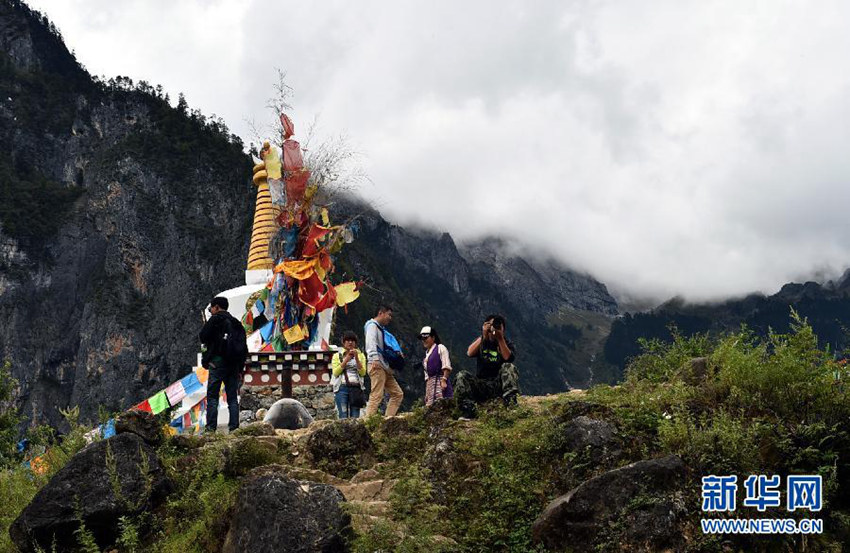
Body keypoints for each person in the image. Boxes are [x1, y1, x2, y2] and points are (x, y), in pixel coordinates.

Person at [455, 314, 519, 418]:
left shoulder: (506, 343)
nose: (495, 328)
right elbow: (469, 353)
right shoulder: (481, 341)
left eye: (499, 326)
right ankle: (468, 409)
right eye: (492, 325)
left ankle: (510, 402)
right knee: (461, 375)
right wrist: (483, 335)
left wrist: (500, 339)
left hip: (498, 385)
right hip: (481, 384)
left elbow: (508, 358)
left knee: (508, 367)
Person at [198, 296, 241, 432]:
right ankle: (234, 427)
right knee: (232, 397)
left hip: (217, 363)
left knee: (213, 397)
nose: (210, 310)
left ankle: (211, 428)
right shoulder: (235, 322)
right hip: (233, 365)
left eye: (211, 307)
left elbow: (203, 337)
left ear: (216, 307)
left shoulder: (215, 320)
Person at [364, 305, 404, 417]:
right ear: (381, 313)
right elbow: (370, 342)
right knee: (376, 395)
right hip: (376, 364)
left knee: (397, 394)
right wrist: (374, 358)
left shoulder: (380, 329)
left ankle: (388, 419)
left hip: (385, 366)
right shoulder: (371, 326)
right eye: (389, 315)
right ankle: (368, 422)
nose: (390, 318)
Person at [331, 330, 367, 419]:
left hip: (356, 388)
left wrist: (357, 358)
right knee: (343, 416)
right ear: (343, 342)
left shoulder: (361, 355)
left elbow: (363, 373)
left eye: (352, 340)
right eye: (347, 340)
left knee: (355, 417)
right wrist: (346, 359)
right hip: (341, 387)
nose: (350, 342)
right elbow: (335, 372)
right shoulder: (337, 356)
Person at [420, 326, 453, 406]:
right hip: (431, 383)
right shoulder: (427, 355)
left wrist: (444, 380)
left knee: (442, 404)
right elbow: (427, 377)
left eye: (426, 338)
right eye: (422, 339)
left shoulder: (440, 348)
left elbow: (446, 365)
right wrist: (427, 392)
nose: (424, 341)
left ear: (433, 337)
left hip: (440, 380)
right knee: (430, 406)